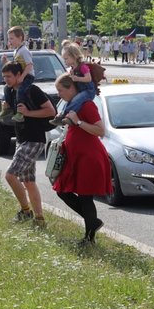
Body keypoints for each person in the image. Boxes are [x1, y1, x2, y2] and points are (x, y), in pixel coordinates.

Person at [51, 74, 112, 245]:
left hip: (89, 158)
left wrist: (78, 122)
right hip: (76, 157)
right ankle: (93, 223)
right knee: (62, 191)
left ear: (71, 87)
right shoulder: (72, 105)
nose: (59, 94)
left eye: (60, 90)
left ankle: (89, 237)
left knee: (86, 197)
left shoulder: (86, 105)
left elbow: (100, 131)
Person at [2, 61, 56, 227]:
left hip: (34, 139)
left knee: (10, 175)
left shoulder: (32, 90)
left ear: (19, 75)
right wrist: (6, 108)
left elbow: (51, 111)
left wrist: (28, 113)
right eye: (4, 77)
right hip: (21, 139)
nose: (6, 80)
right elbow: (14, 112)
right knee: (29, 182)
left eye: (9, 76)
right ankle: (39, 219)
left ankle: (26, 211)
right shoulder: (10, 91)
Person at [52, 43, 96, 126]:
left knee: (76, 100)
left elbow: (88, 78)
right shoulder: (73, 68)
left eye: (66, 59)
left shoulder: (82, 66)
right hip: (81, 90)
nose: (65, 61)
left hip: (88, 91)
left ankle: (68, 117)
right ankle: (61, 115)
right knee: (70, 101)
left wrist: (77, 78)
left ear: (74, 56)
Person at [0, 26, 35, 123]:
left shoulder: (24, 50)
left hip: (28, 76)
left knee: (20, 91)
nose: (10, 41)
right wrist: (6, 61)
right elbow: (15, 66)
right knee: (6, 88)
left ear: (20, 38)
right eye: (9, 38)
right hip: (20, 75)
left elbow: (29, 65)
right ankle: (9, 108)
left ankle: (20, 113)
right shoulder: (16, 51)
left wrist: (22, 77)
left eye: (12, 38)